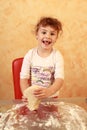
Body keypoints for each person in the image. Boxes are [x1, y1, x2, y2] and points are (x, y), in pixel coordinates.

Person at [20, 17, 64, 99]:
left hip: (51, 98)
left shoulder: (57, 56)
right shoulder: (30, 54)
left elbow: (59, 79)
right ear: (37, 35)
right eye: (44, 32)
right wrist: (26, 94)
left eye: (52, 34)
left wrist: (49, 91)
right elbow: (24, 78)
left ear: (56, 38)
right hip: (34, 97)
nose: (47, 36)